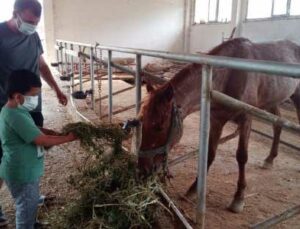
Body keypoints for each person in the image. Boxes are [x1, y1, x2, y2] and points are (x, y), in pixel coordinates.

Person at [0, 0, 68, 225]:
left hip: (30, 102)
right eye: (29, 21)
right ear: (15, 14)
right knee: (5, 155)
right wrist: (68, 137)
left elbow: (41, 65)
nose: (32, 26)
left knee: (30, 149)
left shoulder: (32, 35)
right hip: (7, 104)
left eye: (36, 23)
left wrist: (57, 89)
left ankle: (28, 193)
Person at [0, 70, 77, 229]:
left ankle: (32, 223)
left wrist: (50, 131)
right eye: (33, 96)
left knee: (30, 201)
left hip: (23, 170)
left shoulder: (15, 110)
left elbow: (33, 129)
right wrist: (69, 138)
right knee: (25, 206)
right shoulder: (16, 116)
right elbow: (40, 140)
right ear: (18, 96)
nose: (36, 99)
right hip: (22, 173)